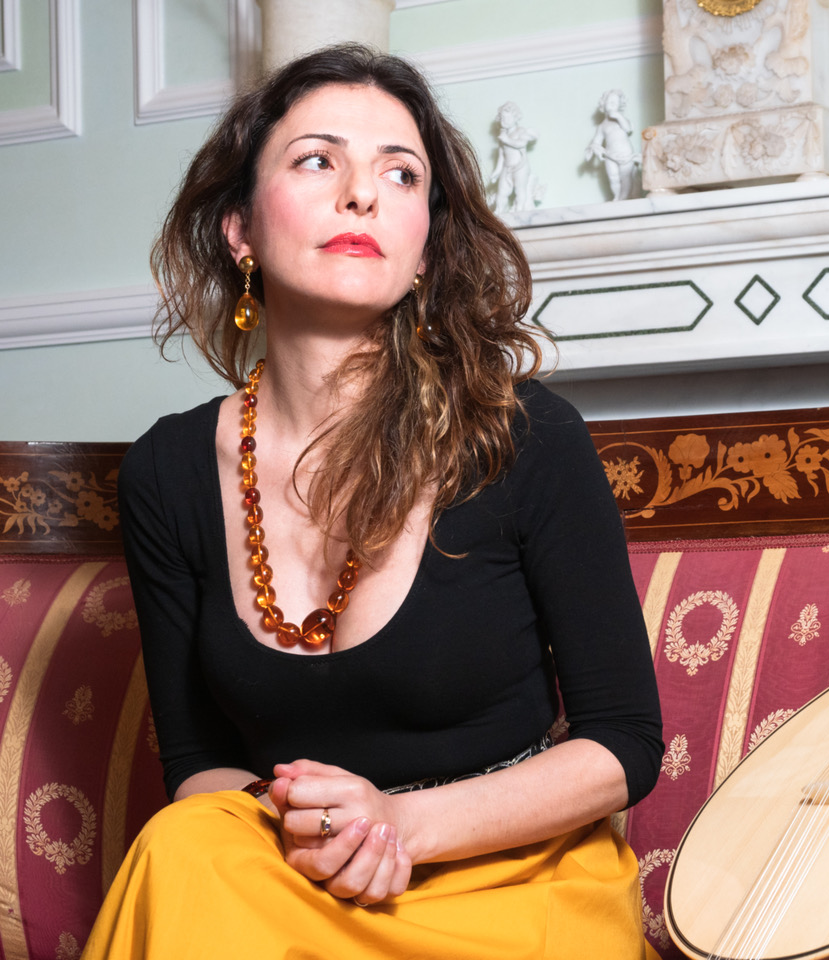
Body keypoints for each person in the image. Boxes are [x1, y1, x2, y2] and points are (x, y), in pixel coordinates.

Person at [83, 44, 663, 960]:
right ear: (239, 229)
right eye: (318, 160)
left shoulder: (523, 435)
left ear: (424, 245)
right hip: (296, 873)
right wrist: (330, 834)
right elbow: (199, 766)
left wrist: (400, 825)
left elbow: (623, 743)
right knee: (182, 847)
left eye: (401, 175)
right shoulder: (166, 471)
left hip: (511, 881)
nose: (363, 194)